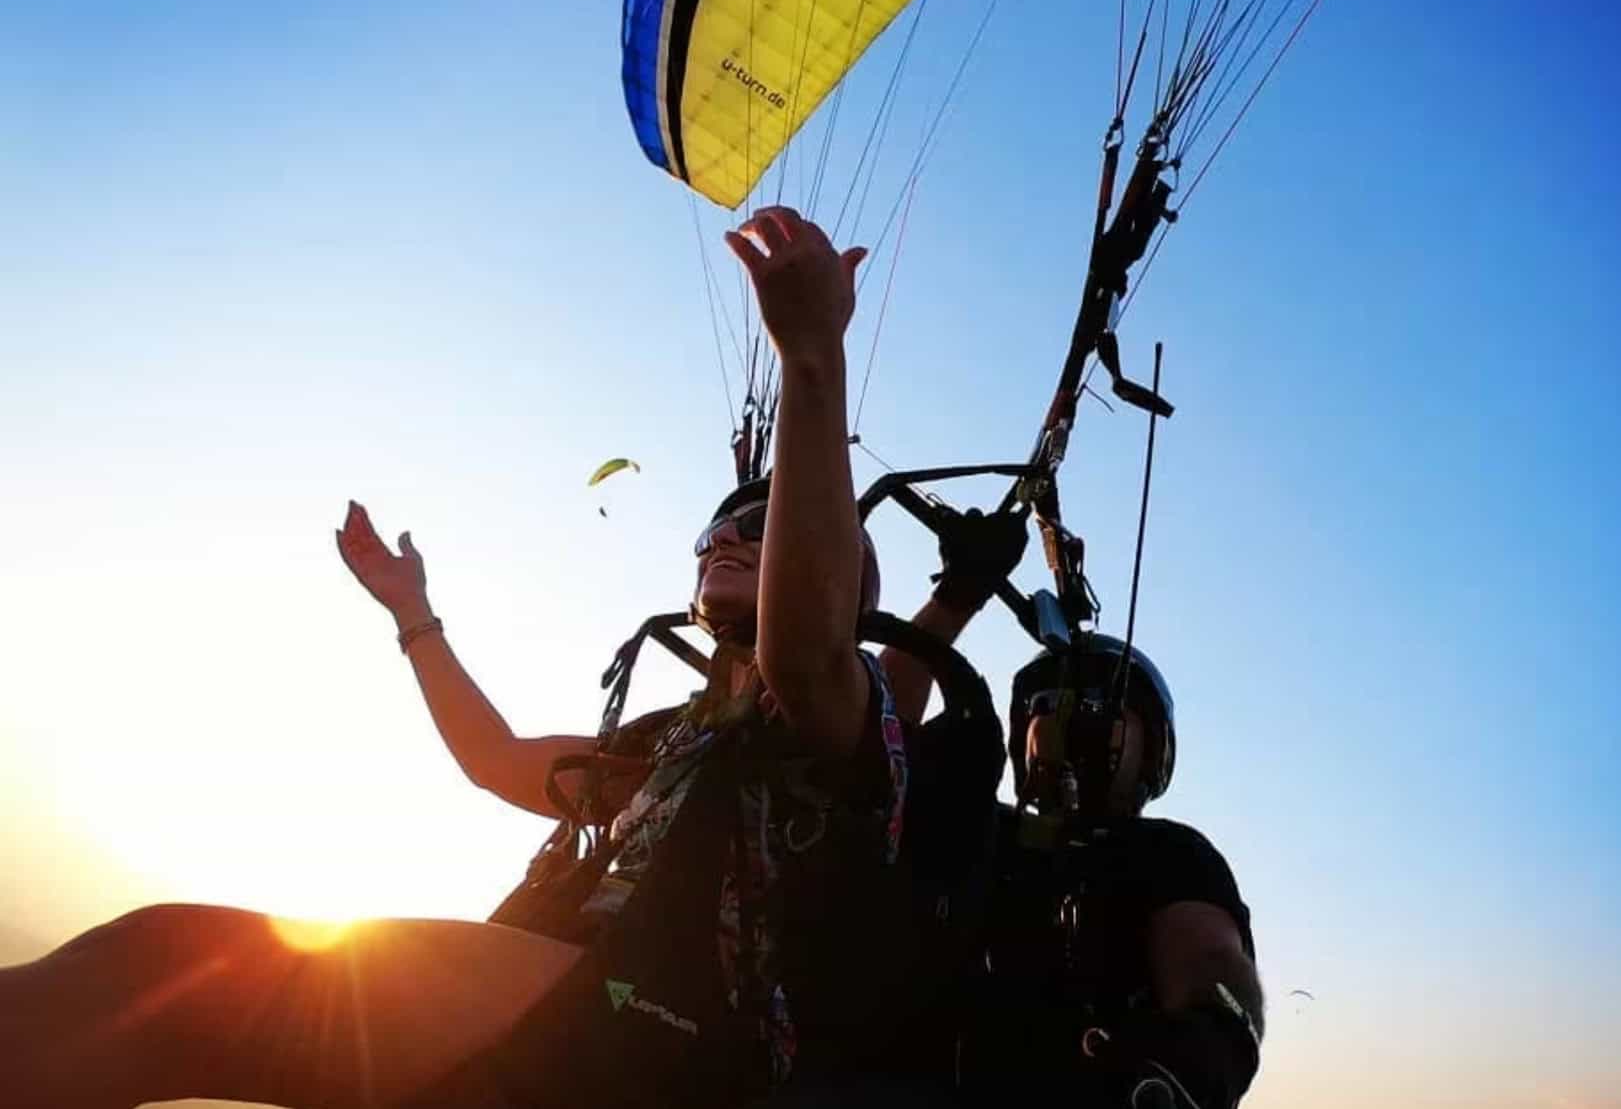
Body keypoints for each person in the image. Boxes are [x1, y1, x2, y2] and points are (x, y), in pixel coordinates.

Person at [0, 206, 934, 1109]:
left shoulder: (838, 723)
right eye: (714, 531)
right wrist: (415, 615)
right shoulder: (664, 749)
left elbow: (805, 653)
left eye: (761, 529)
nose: (726, 540)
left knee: (157, 976)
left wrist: (814, 361)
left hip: (677, 1041)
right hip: (593, 1011)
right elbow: (493, 758)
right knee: (140, 968)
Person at [883, 515, 1265, 1108]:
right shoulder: (973, 828)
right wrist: (953, 601)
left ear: (1152, 752)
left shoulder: (1170, 853)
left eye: (1095, 701)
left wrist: (1184, 1064)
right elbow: (870, 742)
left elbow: (1211, 975)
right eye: (1044, 703)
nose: (1066, 718)